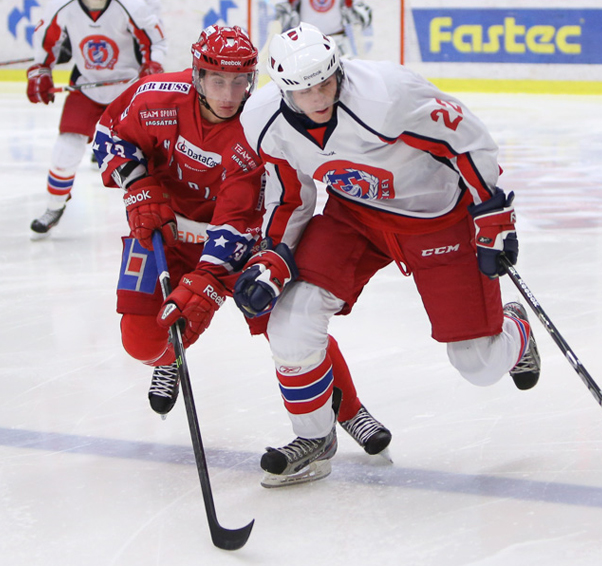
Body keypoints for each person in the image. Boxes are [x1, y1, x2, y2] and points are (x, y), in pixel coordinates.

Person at [234, 24, 542, 488]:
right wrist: (274, 257)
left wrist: (491, 214)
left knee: (478, 365)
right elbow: (290, 194)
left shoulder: (387, 94)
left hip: (437, 218)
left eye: (325, 83)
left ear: (337, 70)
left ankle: (515, 328)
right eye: (304, 90)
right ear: (281, 90)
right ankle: (314, 437)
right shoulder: (262, 120)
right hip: (355, 216)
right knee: (291, 319)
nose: (318, 98)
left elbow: (468, 140)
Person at [93, 26, 391, 466]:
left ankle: (349, 410)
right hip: (162, 230)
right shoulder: (154, 97)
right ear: (197, 75)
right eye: (217, 80)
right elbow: (109, 133)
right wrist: (137, 184)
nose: (229, 95)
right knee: (141, 342)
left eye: (240, 81)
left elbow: (239, 214)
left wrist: (208, 278)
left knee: (289, 325)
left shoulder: (259, 125)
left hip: (236, 244)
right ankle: (169, 358)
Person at [27, 0, 166, 235]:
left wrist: (153, 65)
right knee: (66, 148)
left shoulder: (131, 6)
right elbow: (46, 40)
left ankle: (160, 209)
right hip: (86, 85)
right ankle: (54, 206)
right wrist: (40, 70)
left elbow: (155, 41)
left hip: (129, 89)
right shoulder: (62, 6)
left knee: (147, 156)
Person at [274, 0, 372, 57]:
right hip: (307, 43)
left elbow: (363, 18)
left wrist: (350, 5)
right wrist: (289, 5)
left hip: (338, 42)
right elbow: (279, 19)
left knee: (345, 76)